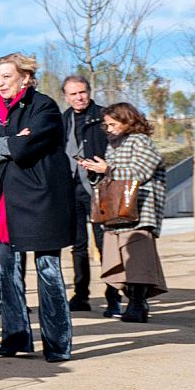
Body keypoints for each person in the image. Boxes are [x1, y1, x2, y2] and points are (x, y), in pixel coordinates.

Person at [0, 52, 74, 362]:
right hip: (3, 202)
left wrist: (4, 144)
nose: (0, 83)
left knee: (48, 272)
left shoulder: (43, 106)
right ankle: (16, 339)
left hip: (42, 201)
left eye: (6, 76)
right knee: (7, 274)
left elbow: (26, 147)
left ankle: (58, 345)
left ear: (26, 78)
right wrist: (3, 144)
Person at [80, 103, 167, 323]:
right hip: (115, 210)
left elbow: (142, 171)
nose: (108, 128)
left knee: (137, 259)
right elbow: (112, 177)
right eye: (106, 125)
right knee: (117, 257)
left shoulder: (140, 141)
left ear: (127, 120)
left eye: (113, 123)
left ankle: (138, 304)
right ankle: (133, 303)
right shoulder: (114, 145)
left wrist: (108, 169)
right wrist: (96, 171)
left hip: (139, 210)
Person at [60, 75, 118, 315]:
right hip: (71, 190)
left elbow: (118, 147)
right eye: (73, 94)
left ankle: (113, 296)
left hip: (100, 188)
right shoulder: (63, 120)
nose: (79, 97)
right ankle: (80, 295)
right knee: (78, 246)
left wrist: (108, 166)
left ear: (89, 91)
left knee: (106, 245)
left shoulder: (104, 116)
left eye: (82, 92)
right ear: (66, 96)